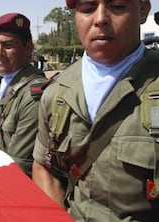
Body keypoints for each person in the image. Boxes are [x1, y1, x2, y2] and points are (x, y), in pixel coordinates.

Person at [32, 0, 159, 220]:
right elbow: (44, 167)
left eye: (117, 6)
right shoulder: (56, 93)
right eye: (88, 8)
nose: (100, 18)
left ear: (143, 10)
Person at [0, 13, 45, 177]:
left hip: (14, 183)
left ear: (28, 48)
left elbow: (19, 163)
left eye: (8, 46)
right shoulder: (3, 86)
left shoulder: (33, 94)